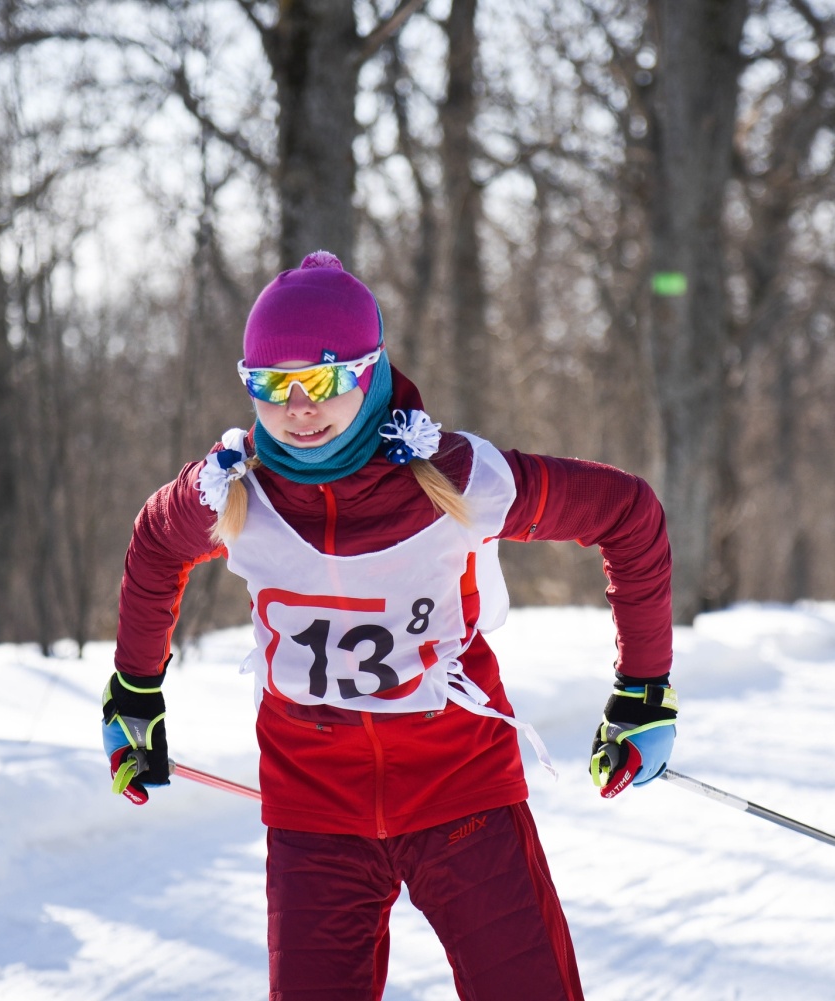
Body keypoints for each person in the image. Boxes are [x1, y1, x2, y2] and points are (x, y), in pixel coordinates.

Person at [102, 251, 674, 1001]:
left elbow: (627, 513)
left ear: (370, 372)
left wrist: (644, 689)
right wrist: (134, 692)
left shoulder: (454, 480)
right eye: (271, 387)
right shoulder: (232, 494)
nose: (298, 408)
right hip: (315, 818)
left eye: (324, 378)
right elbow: (153, 545)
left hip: (463, 799)